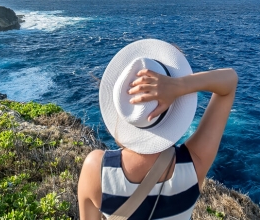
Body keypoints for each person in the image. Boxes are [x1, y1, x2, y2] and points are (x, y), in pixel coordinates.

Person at [78, 39, 238, 220]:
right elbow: (229, 81)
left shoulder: (97, 169)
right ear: (174, 105)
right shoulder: (194, 164)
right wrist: (180, 85)